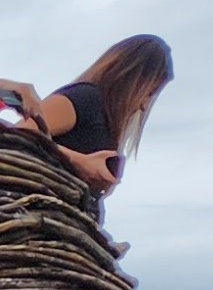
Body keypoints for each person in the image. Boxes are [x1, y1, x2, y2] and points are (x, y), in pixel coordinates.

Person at [23, 35, 174, 194]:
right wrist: (78, 161)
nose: (143, 106)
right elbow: (17, 133)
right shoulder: (85, 99)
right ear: (132, 80)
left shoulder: (105, 121)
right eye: (147, 94)